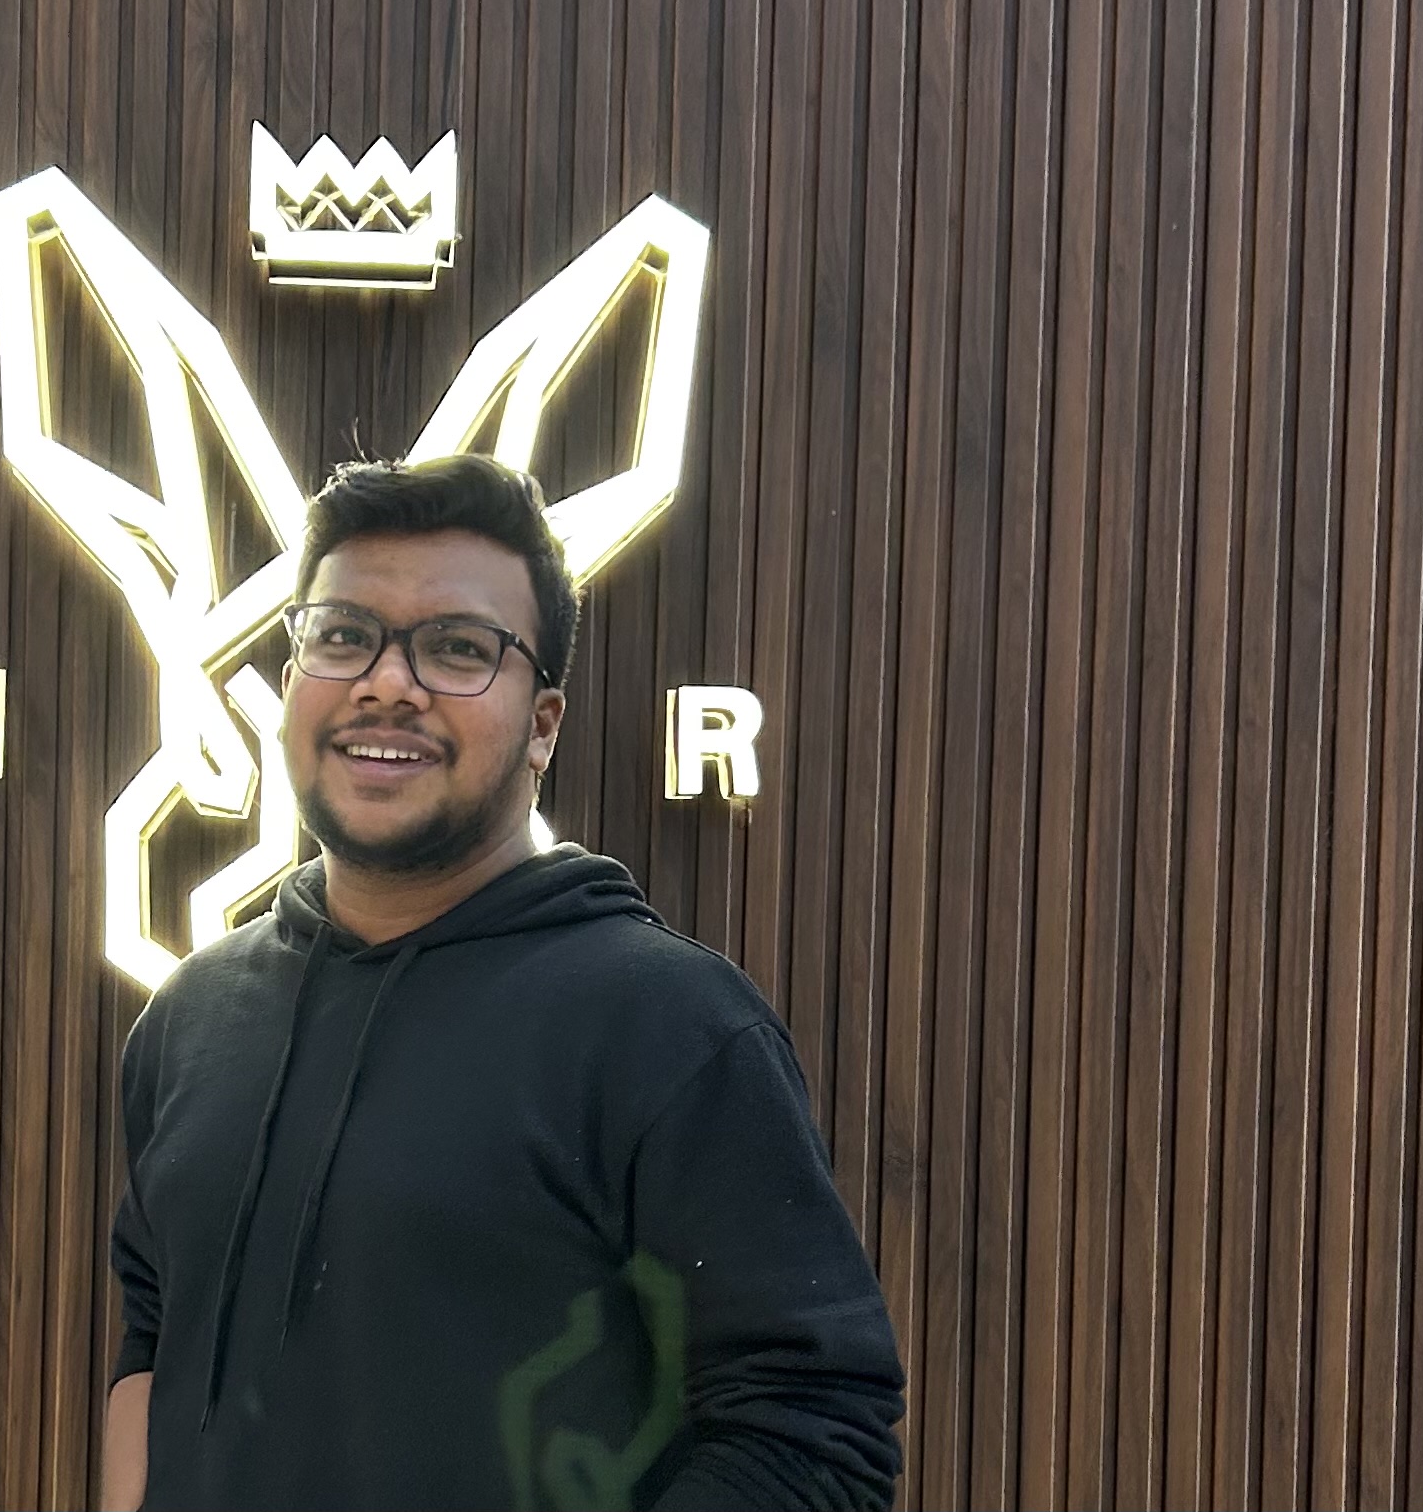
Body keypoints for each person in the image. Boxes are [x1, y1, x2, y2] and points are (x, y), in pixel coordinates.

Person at [102, 455, 905, 1511]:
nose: (387, 682)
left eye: (457, 649)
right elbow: (154, 1344)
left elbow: (812, 1428)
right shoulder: (192, 1017)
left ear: (541, 725)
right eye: (342, 635)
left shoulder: (665, 1026)